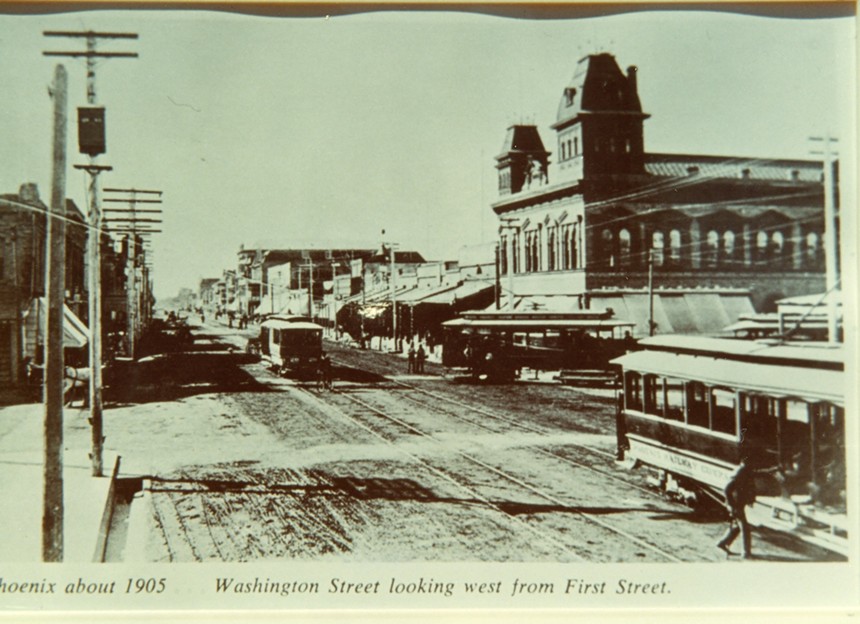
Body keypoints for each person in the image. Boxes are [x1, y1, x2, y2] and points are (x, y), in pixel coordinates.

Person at [717, 456, 757, 559]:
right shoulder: (741, 472)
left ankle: (722, 543)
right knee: (744, 528)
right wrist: (731, 505)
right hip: (736, 504)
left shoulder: (744, 470)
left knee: (737, 527)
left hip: (738, 503)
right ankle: (746, 553)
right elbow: (727, 489)